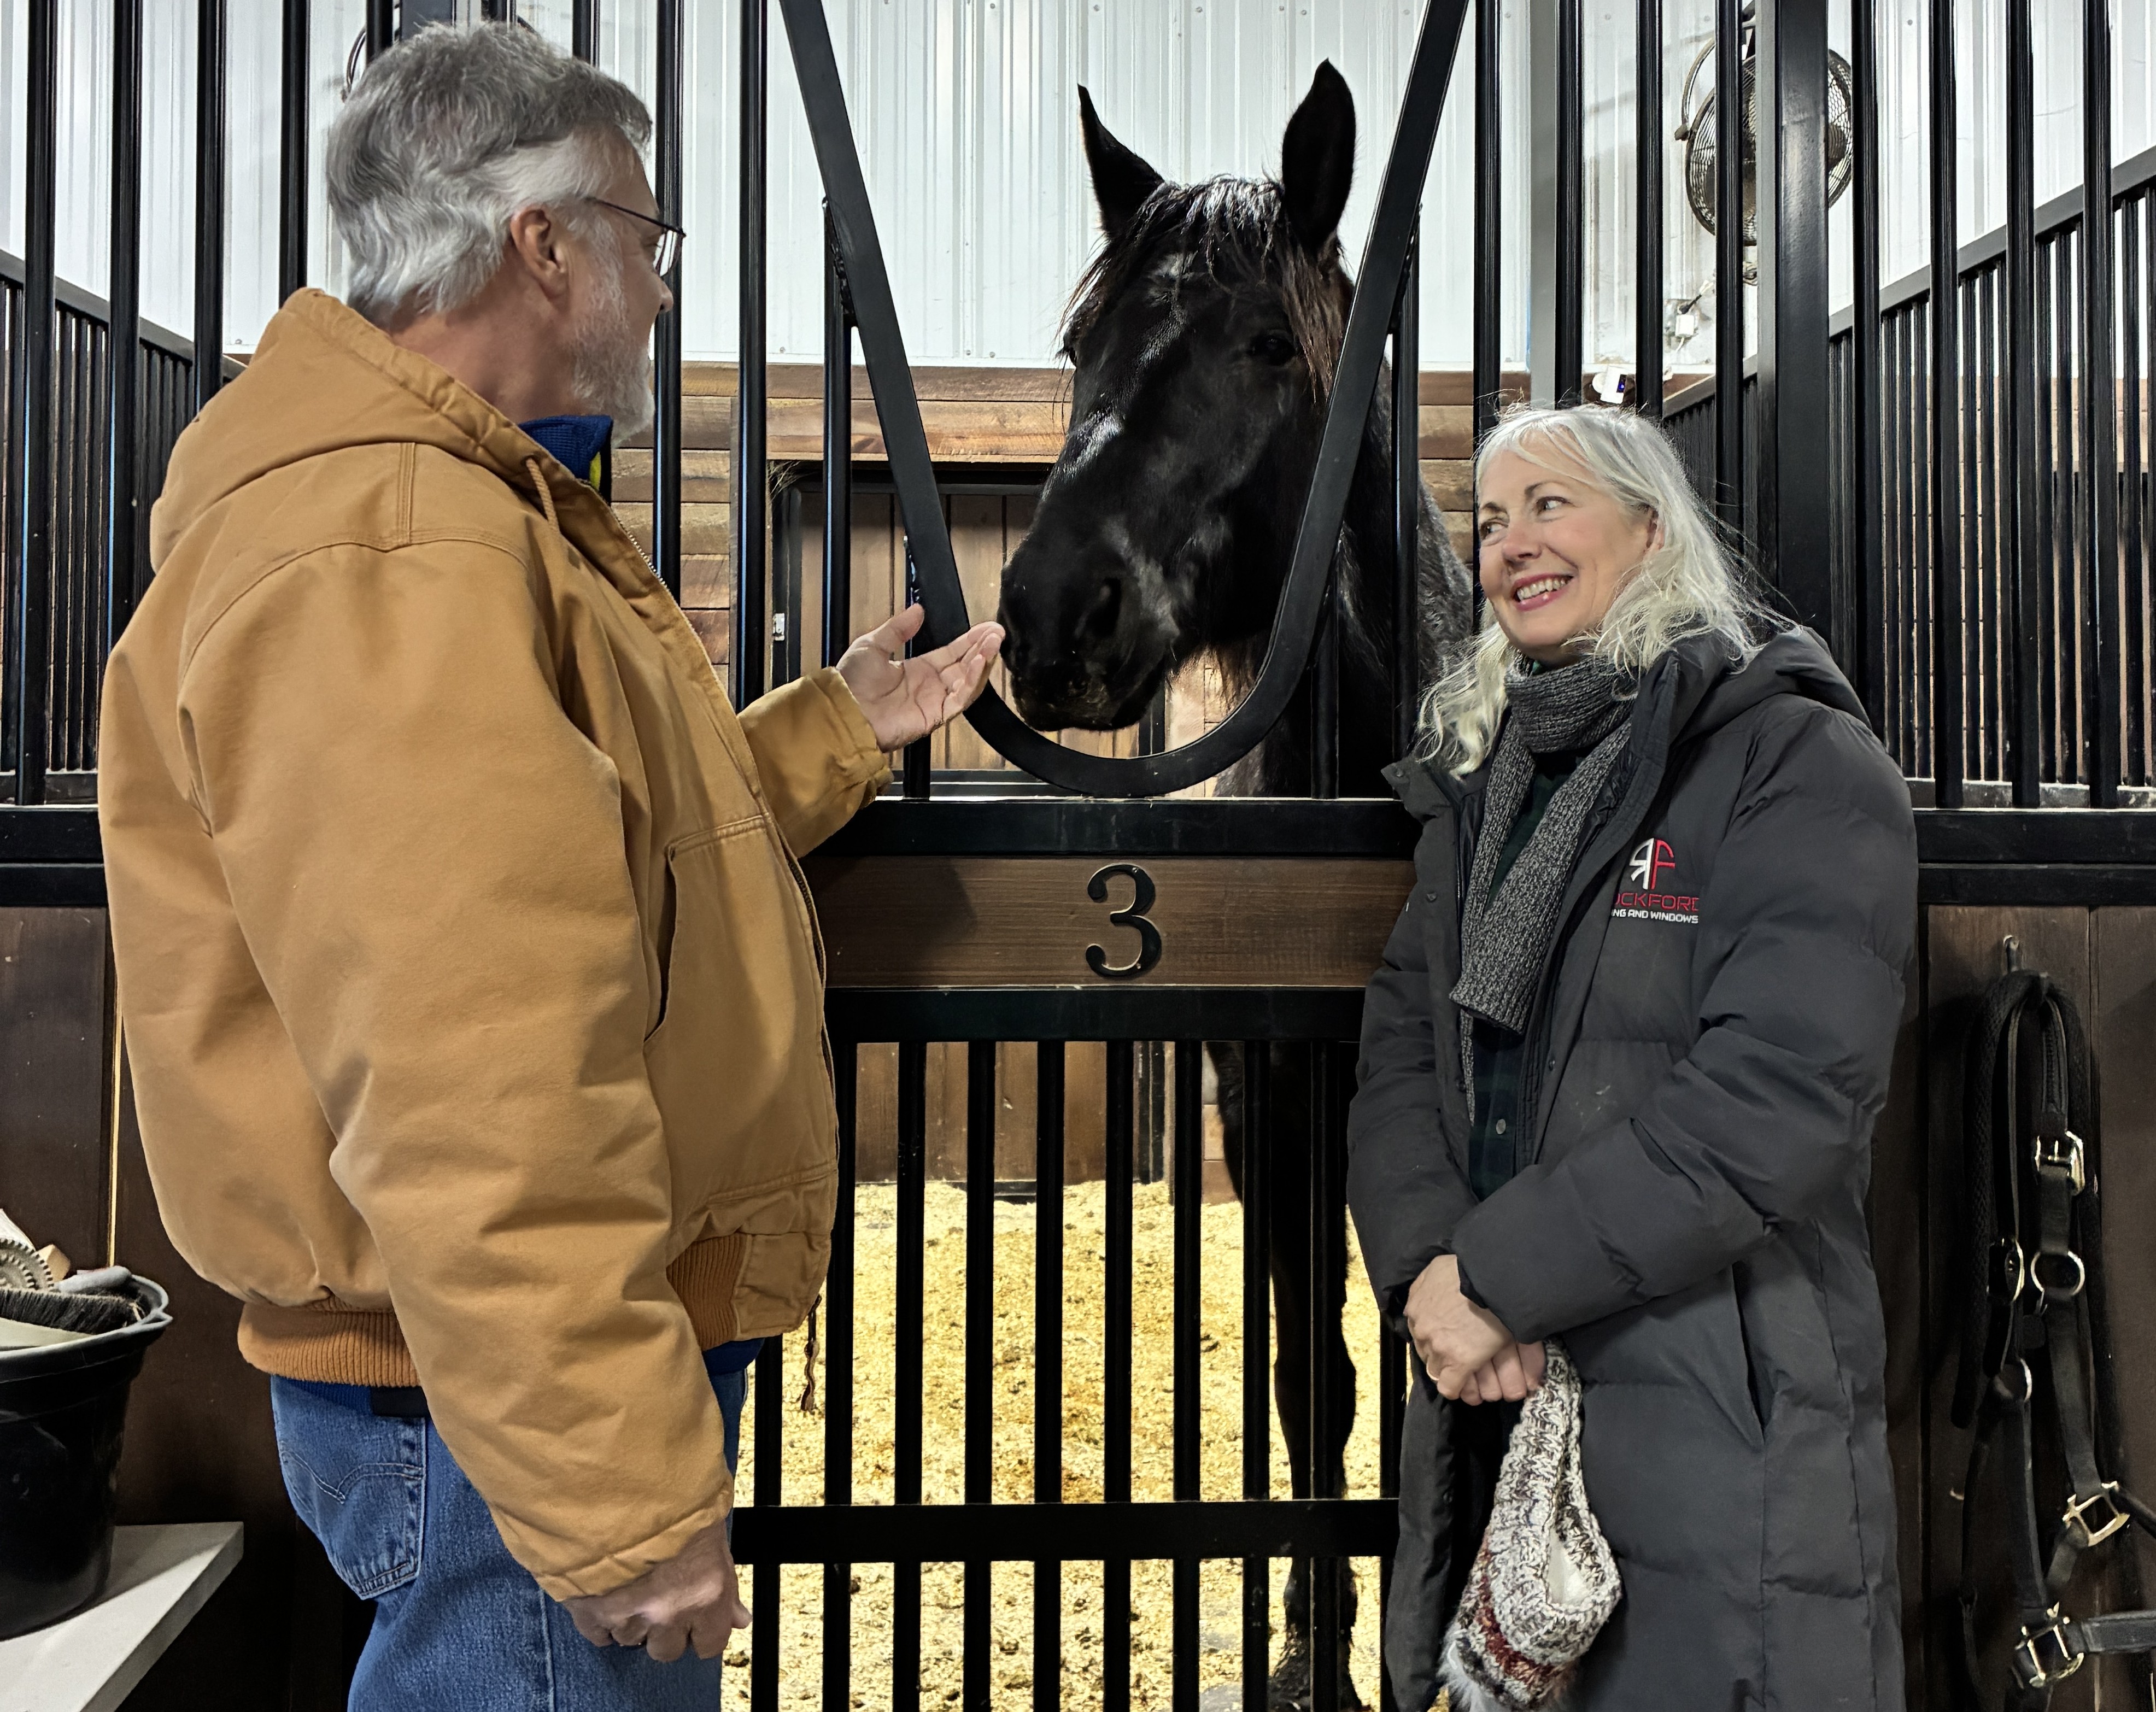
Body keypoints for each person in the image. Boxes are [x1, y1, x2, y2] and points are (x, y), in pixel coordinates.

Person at [97, 24, 1000, 1709]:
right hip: (494, 1405)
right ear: (545, 245)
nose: (658, 289)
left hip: (481, 1382)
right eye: (648, 240)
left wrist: (831, 728)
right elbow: (473, 1070)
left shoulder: (444, 517)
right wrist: (613, 1485)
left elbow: (578, 858)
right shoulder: (395, 545)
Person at [1346, 403, 1916, 1710]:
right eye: (1492, 519)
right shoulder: (1487, 785)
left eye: (1550, 506)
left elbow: (1779, 1099)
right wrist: (1433, 1275)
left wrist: (1499, 1279)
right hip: (1488, 1378)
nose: (1510, 545)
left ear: (1652, 530)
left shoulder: (1793, 760)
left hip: (1712, 1384)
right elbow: (1402, 1048)